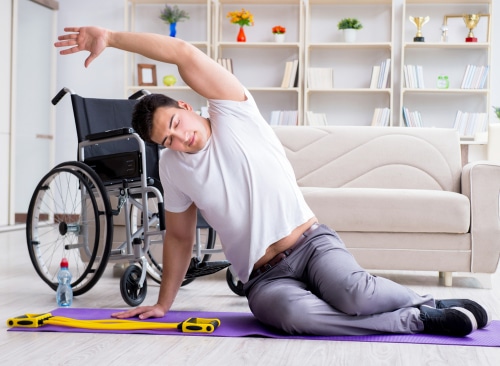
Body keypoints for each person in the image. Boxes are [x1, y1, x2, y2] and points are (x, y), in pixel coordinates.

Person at [54, 26, 490, 337]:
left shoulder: (232, 111)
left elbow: (184, 52)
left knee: (353, 294)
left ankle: (424, 305)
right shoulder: (172, 166)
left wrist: (111, 38)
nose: (179, 139)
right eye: (167, 139)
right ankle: (419, 317)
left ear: (186, 106)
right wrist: (165, 303)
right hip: (264, 279)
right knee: (293, 317)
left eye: (175, 123)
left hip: (312, 244)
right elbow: (180, 239)